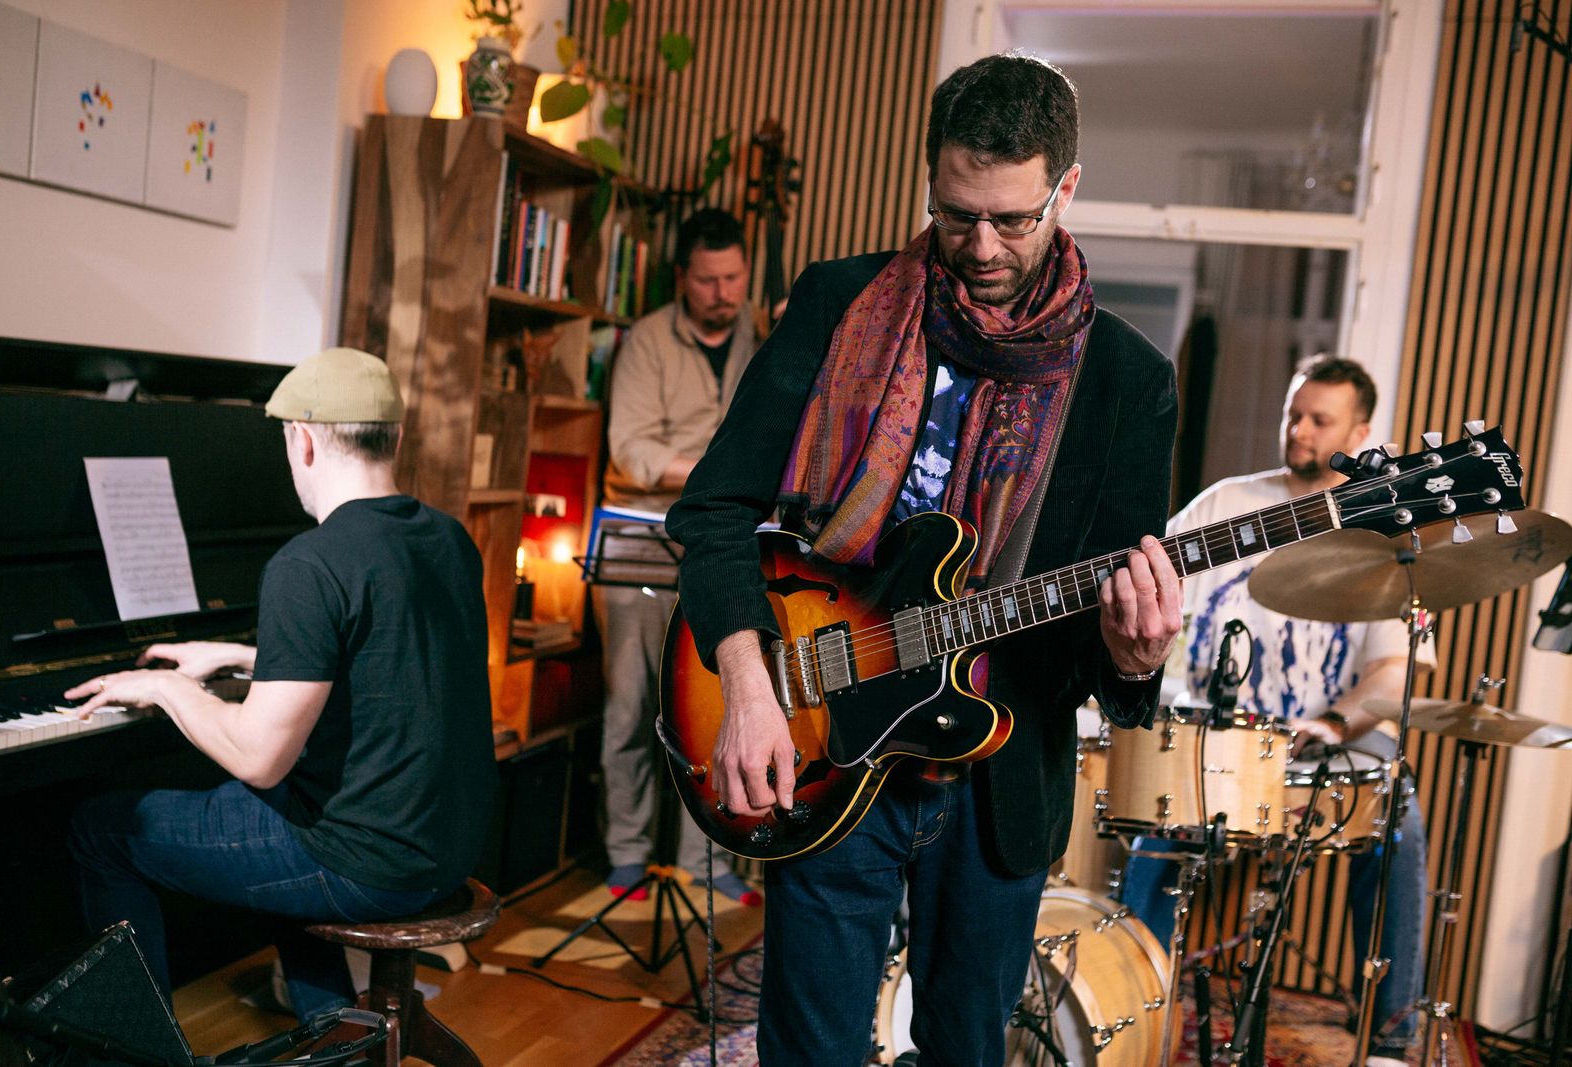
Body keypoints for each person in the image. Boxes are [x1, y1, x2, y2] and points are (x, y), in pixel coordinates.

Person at [667, 54, 1183, 1066]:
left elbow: (1106, 643)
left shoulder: (1128, 380)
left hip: (995, 785)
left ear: (1066, 189)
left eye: (1012, 220)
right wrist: (748, 683)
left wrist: (1133, 655)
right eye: (955, 214)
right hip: (824, 739)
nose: (981, 246)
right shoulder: (838, 303)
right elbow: (713, 509)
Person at [63, 347, 496, 1023]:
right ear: (394, 438)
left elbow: (259, 758)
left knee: (101, 830)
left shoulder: (311, 561)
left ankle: (135, 1048)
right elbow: (387, 659)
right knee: (289, 801)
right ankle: (333, 1036)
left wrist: (170, 689)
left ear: (303, 440)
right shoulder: (447, 537)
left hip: (366, 862)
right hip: (447, 844)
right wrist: (244, 655)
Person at [1119, 355, 1431, 1067]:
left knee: (1399, 813)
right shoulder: (1226, 505)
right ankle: (1132, 1012)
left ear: (1360, 431)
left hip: (1323, 747)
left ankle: (1391, 1038)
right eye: (1295, 414)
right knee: (1154, 820)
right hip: (1215, 741)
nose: (1300, 431)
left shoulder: (1379, 530)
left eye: (1321, 420)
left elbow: (1397, 671)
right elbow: (1148, 593)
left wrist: (1333, 724)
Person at [598, 208, 765, 904]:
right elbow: (630, 448)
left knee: (718, 706)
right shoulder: (645, 340)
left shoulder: (765, 337)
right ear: (681, 278)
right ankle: (628, 853)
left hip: (723, 553)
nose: (723, 293)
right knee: (632, 707)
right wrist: (715, 477)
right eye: (706, 280)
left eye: (733, 277)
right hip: (644, 545)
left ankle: (707, 858)